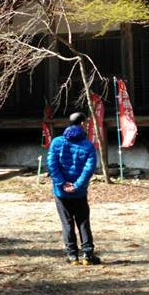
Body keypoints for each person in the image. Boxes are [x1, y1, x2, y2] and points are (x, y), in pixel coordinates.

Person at [47, 111, 101, 265]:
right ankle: (88, 255)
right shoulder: (88, 145)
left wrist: (61, 183)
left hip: (61, 192)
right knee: (83, 222)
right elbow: (89, 169)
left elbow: (52, 165)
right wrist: (77, 185)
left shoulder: (57, 142)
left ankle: (72, 255)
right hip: (79, 192)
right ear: (82, 124)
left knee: (67, 223)